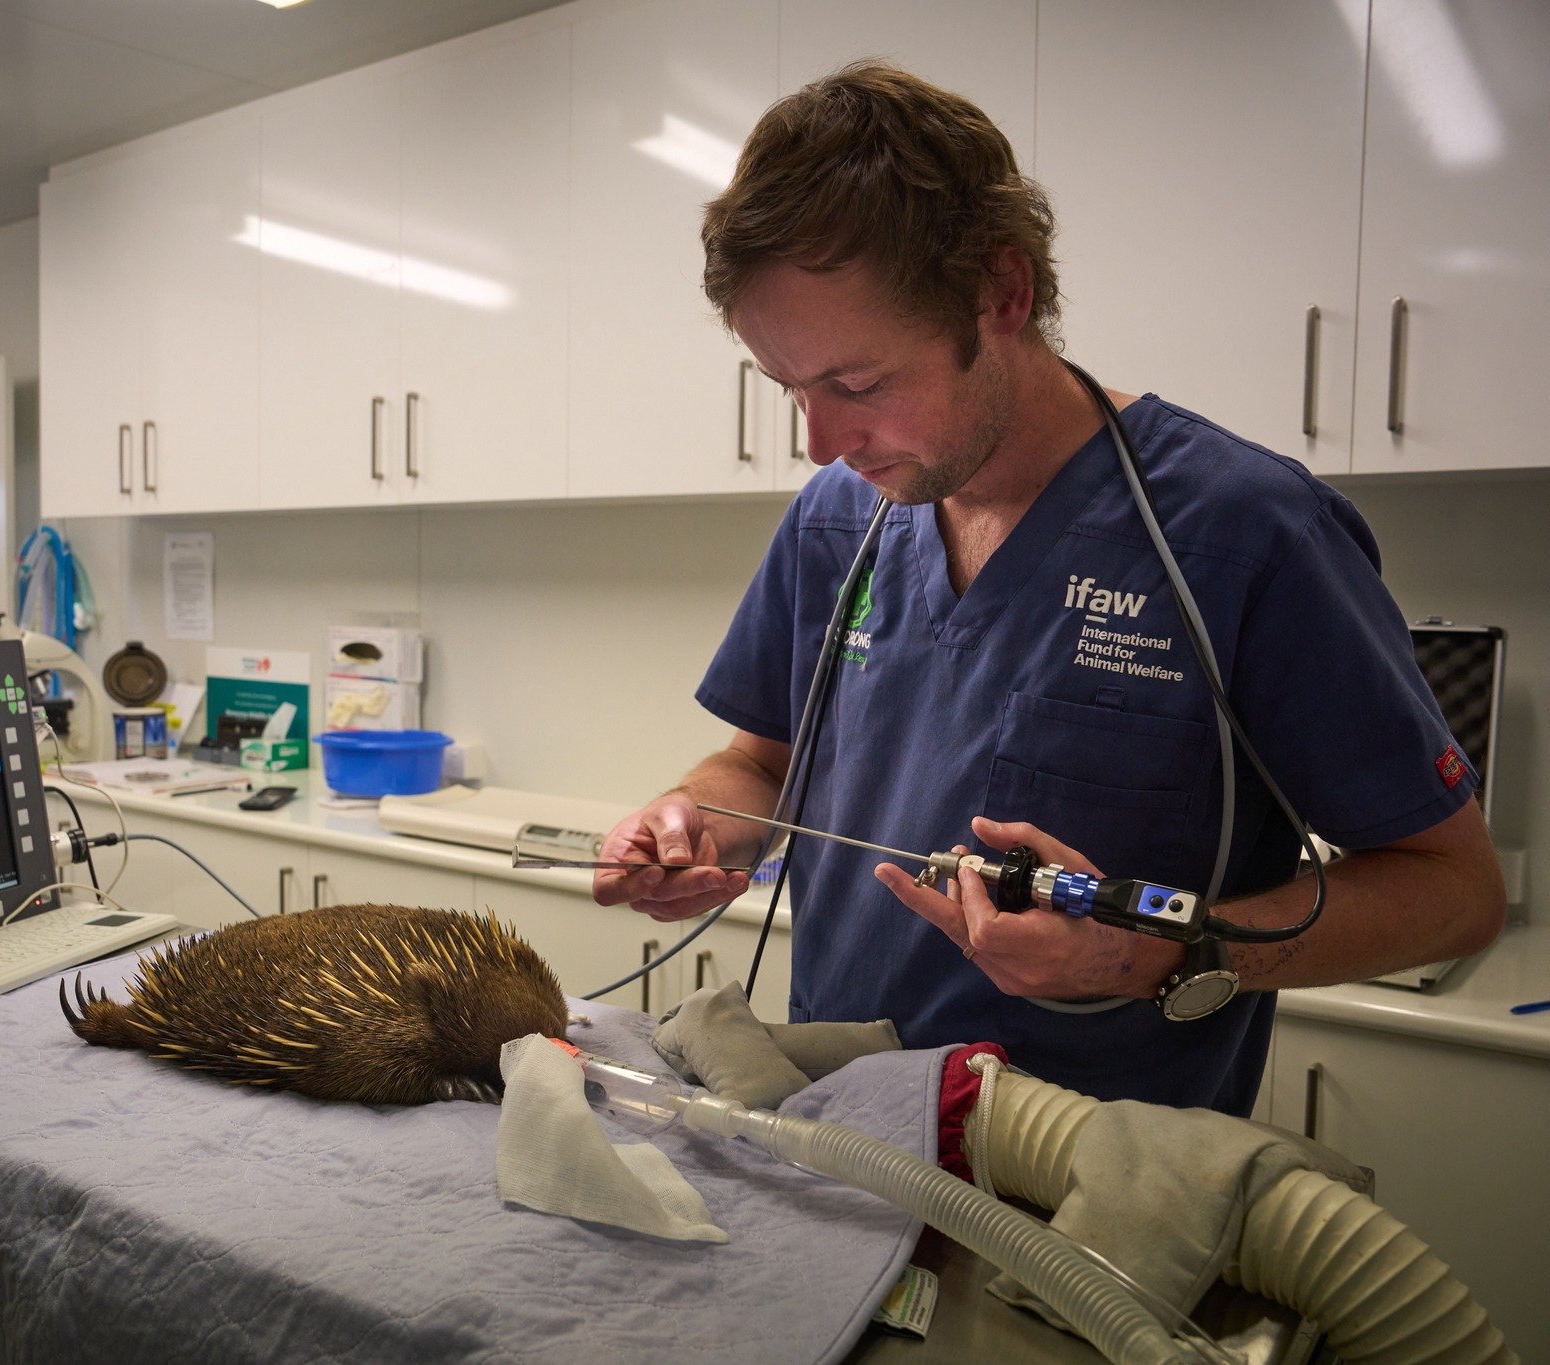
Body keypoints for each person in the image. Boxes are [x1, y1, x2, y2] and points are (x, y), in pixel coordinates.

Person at [591, 61, 1504, 1115]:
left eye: (857, 384)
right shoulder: (839, 521)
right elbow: (757, 761)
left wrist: (1163, 955)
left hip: (1091, 1201)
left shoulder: (1237, 532)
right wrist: (696, 822)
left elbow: (1452, 892)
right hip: (831, 1144)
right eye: (788, 388)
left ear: (1001, 295)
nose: (820, 443)